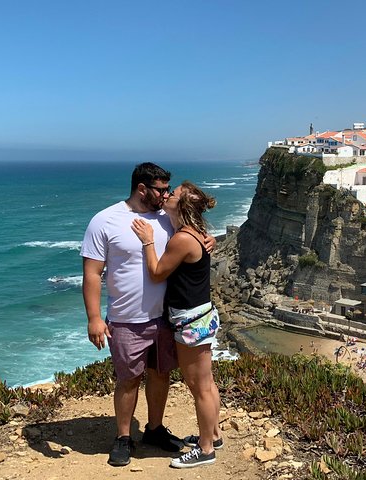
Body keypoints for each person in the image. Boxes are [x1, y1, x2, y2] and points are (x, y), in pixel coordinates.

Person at [81, 163, 214, 467]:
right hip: (127, 318)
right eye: (161, 189)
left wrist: (210, 240)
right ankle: (123, 437)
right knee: (128, 380)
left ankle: (154, 429)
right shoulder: (105, 220)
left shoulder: (166, 219)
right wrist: (94, 317)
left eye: (170, 189)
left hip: (168, 317)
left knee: (160, 374)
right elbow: (91, 274)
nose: (167, 194)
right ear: (142, 189)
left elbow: (192, 236)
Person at [131, 181, 222, 469]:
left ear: (181, 206)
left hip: (190, 319)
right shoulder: (194, 233)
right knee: (205, 383)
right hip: (200, 314)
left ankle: (206, 450)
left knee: (200, 386)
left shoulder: (183, 238)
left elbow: (157, 273)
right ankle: (214, 435)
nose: (167, 195)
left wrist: (147, 240)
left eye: (174, 194)